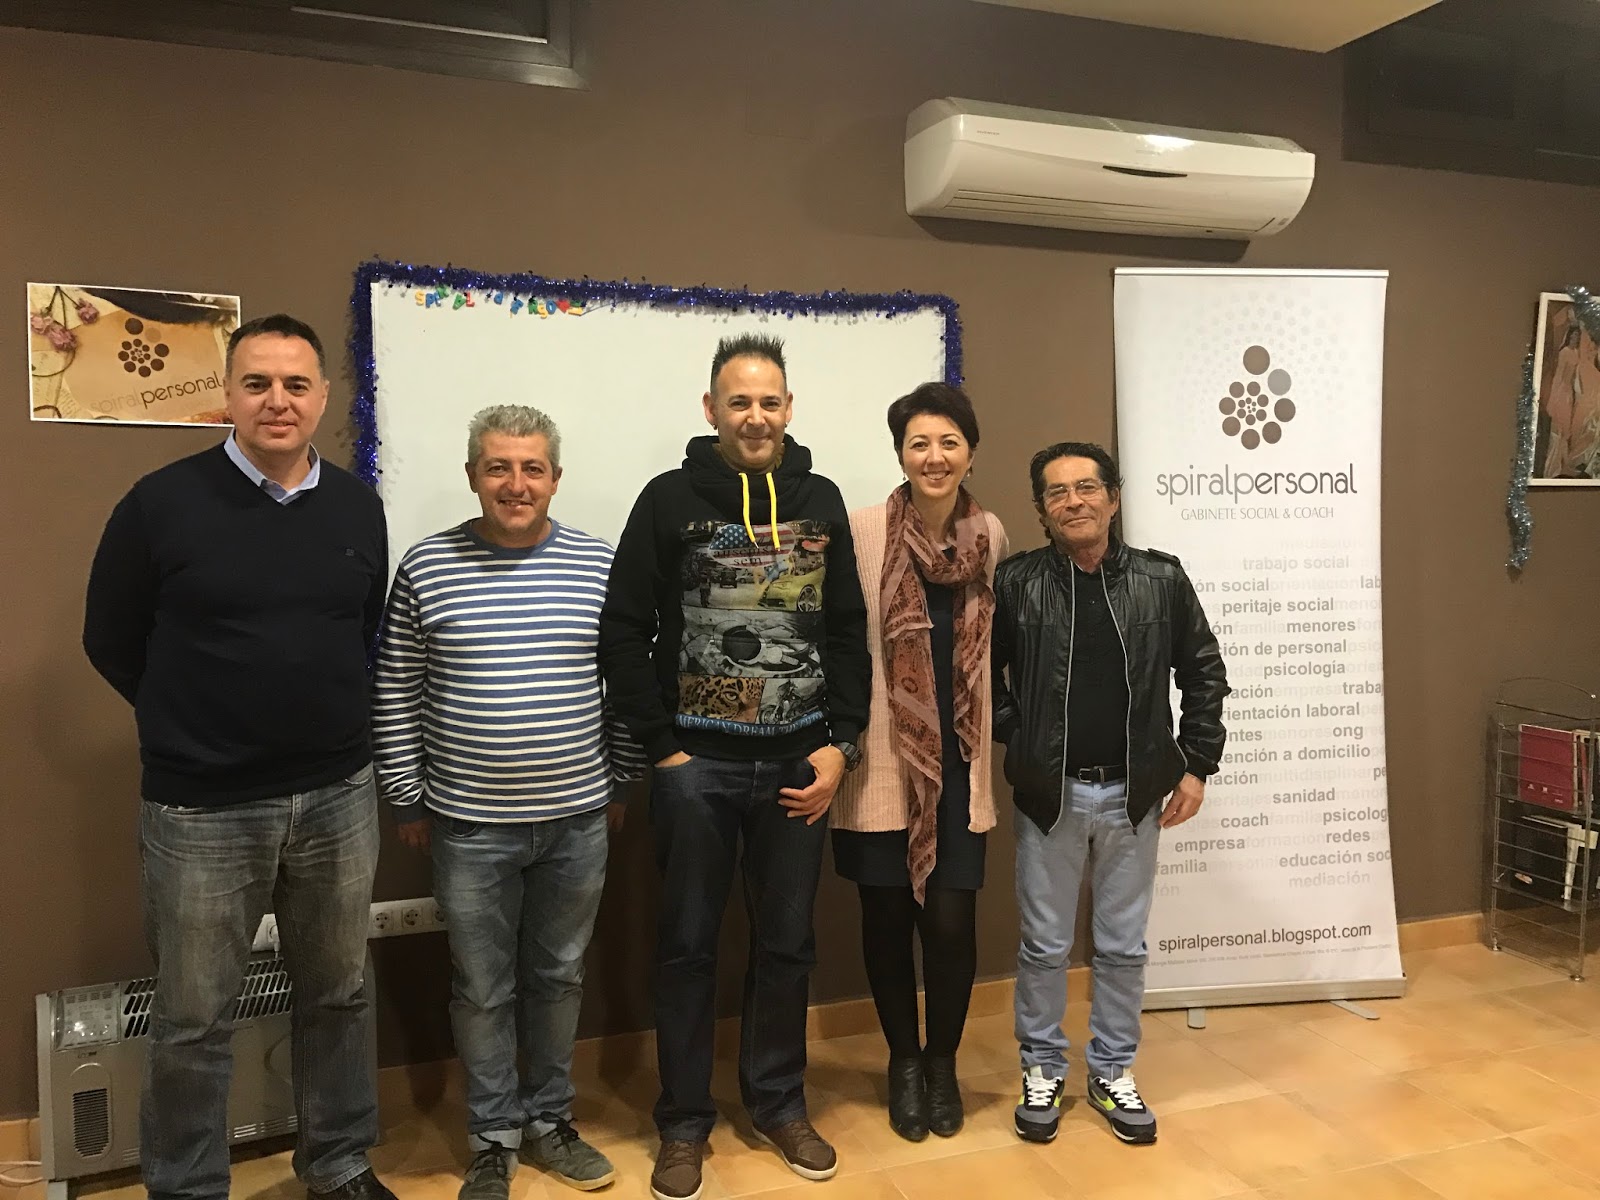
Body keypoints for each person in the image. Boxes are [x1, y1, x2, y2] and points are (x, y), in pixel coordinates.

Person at [82, 314, 394, 1200]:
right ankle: (187, 1187)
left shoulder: (357, 506)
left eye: (296, 384)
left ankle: (338, 1164)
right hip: (202, 808)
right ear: (227, 395)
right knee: (193, 1017)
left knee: (338, 994)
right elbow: (109, 638)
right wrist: (193, 721)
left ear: (323, 397)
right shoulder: (159, 504)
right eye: (256, 383)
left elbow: (360, 627)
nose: (276, 401)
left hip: (337, 794)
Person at [599, 333, 871, 1200]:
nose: (755, 416)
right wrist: (664, 748)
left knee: (786, 946)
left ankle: (778, 1104)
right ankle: (683, 1123)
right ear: (711, 409)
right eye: (739, 401)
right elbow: (623, 629)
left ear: (789, 409)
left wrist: (840, 743)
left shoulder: (821, 500)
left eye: (769, 401)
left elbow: (846, 631)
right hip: (696, 767)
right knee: (686, 948)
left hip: (798, 765)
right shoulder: (667, 498)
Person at [371, 405, 645, 1198]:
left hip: (578, 820)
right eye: (498, 467)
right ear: (473, 476)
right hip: (468, 825)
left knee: (559, 978)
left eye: (532, 468)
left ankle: (550, 1121)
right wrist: (406, 797)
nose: (515, 484)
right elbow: (395, 687)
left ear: (555, 478)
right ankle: (493, 1137)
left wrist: (622, 779)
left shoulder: (599, 564)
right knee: (483, 988)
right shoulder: (427, 566)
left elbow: (627, 682)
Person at [992, 441, 1228, 1147]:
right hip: (1051, 797)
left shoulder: (1161, 579)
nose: (1074, 501)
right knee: (1044, 946)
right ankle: (1042, 1069)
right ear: (1042, 510)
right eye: (1057, 492)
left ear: (1113, 498)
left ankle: (1112, 1071)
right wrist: (1021, 737)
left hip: (1134, 797)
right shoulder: (1016, 583)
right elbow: (981, 677)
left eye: (1087, 487)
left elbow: (1204, 673)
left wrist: (1196, 766)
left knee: (1122, 946)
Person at [830, 383, 1006, 1142]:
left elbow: (995, 653)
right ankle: (904, 1059)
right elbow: (837, 640)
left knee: (951, 924)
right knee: (884, 920)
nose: (934, 457)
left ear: (971, 452)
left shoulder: (989, 535)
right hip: (879, 760)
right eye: (918, 444)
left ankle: (942, 1064)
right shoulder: (863, 528)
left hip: (959, 766)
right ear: (900, 453)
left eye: (948, 443)